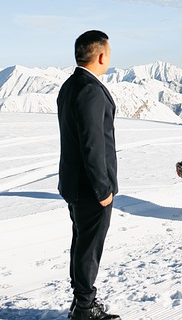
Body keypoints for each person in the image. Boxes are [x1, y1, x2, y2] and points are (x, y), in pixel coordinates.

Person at [57, 30, 120, 320]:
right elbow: (92, 144)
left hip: (75, 183)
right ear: (102, 56)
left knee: (81, 243)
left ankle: (80, 301)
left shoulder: (70, 85)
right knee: (88, 248)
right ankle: (85, 307)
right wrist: (102, 189)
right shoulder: (90, 90)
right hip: (90, 187)